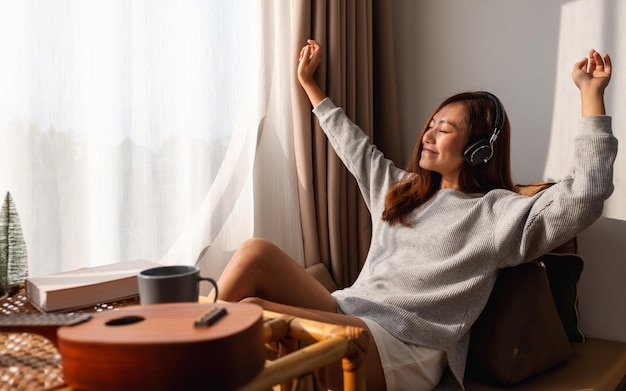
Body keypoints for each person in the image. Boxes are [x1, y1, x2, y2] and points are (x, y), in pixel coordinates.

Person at [217, 40, 616, 390]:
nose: (427, 134)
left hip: (402, 348)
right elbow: (353, 146)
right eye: (431, 124)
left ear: (480, 149)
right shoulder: (400, 191)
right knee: (254, 253)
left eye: (444, 129)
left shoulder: (495, 214)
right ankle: (168, 347)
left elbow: (586, 195)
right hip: (348, 312)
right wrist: (310, 85)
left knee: (249, 313)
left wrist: (591, 95)